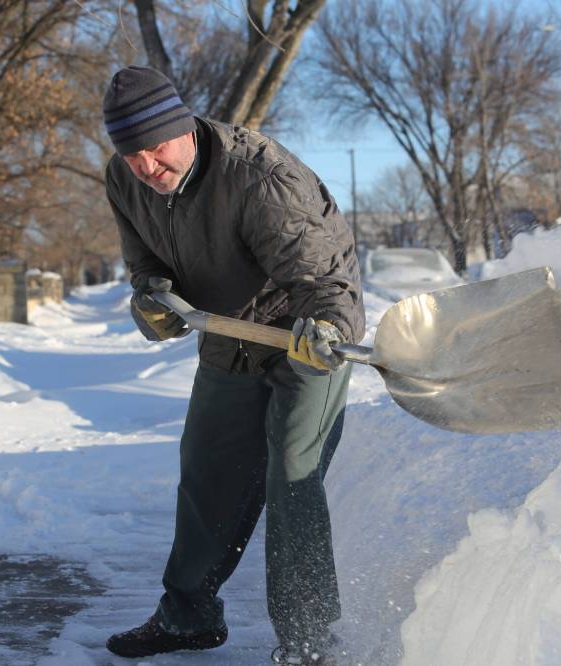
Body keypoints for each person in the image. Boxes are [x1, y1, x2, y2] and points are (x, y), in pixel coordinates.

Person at [101, 66, 364, 665]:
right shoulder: (124, 178)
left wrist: (325, 327)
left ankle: (307, 644)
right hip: (228, 332)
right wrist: (154, 300)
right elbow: (145, 264)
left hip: (305, 329)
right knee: (206, 468)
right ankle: (187, 618)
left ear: (183, 129)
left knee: (292, 474)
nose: (146, 165)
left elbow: (325, 278)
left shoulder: (260, 177)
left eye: (155, 147)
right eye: (131, 152)